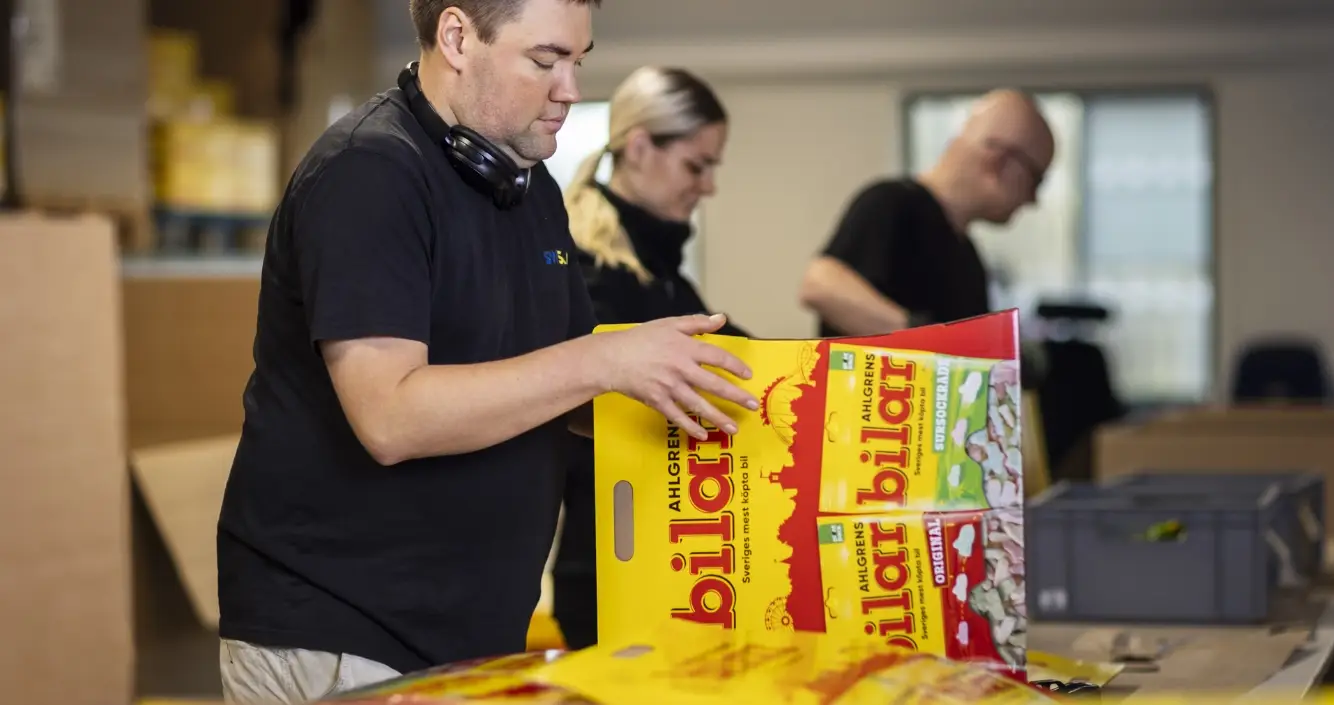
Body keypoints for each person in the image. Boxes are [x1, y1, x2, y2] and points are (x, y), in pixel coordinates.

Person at [214, 1, 759, 702]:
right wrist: (606, 360)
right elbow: (390, 417)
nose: (571, 89)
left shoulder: (532, 194)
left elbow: (560, 394)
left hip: (465, 635)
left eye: (578, 61)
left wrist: (686, 394)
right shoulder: (368, 175)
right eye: (545, 60)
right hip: (343, 632)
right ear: (456, 37)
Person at [548, 65, 744, 649]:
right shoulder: (588, 273)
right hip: (615, 573)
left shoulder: (663, 279)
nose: (708, 187)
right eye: (696, 166)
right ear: (638, 148)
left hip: (678, 559)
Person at [798, 89, 1055, 337]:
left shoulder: (968, 257)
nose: (1033, 200)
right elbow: (820, 286)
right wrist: (930, 341)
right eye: (1036, 179)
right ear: (1000, 162)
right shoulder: (891, 203)